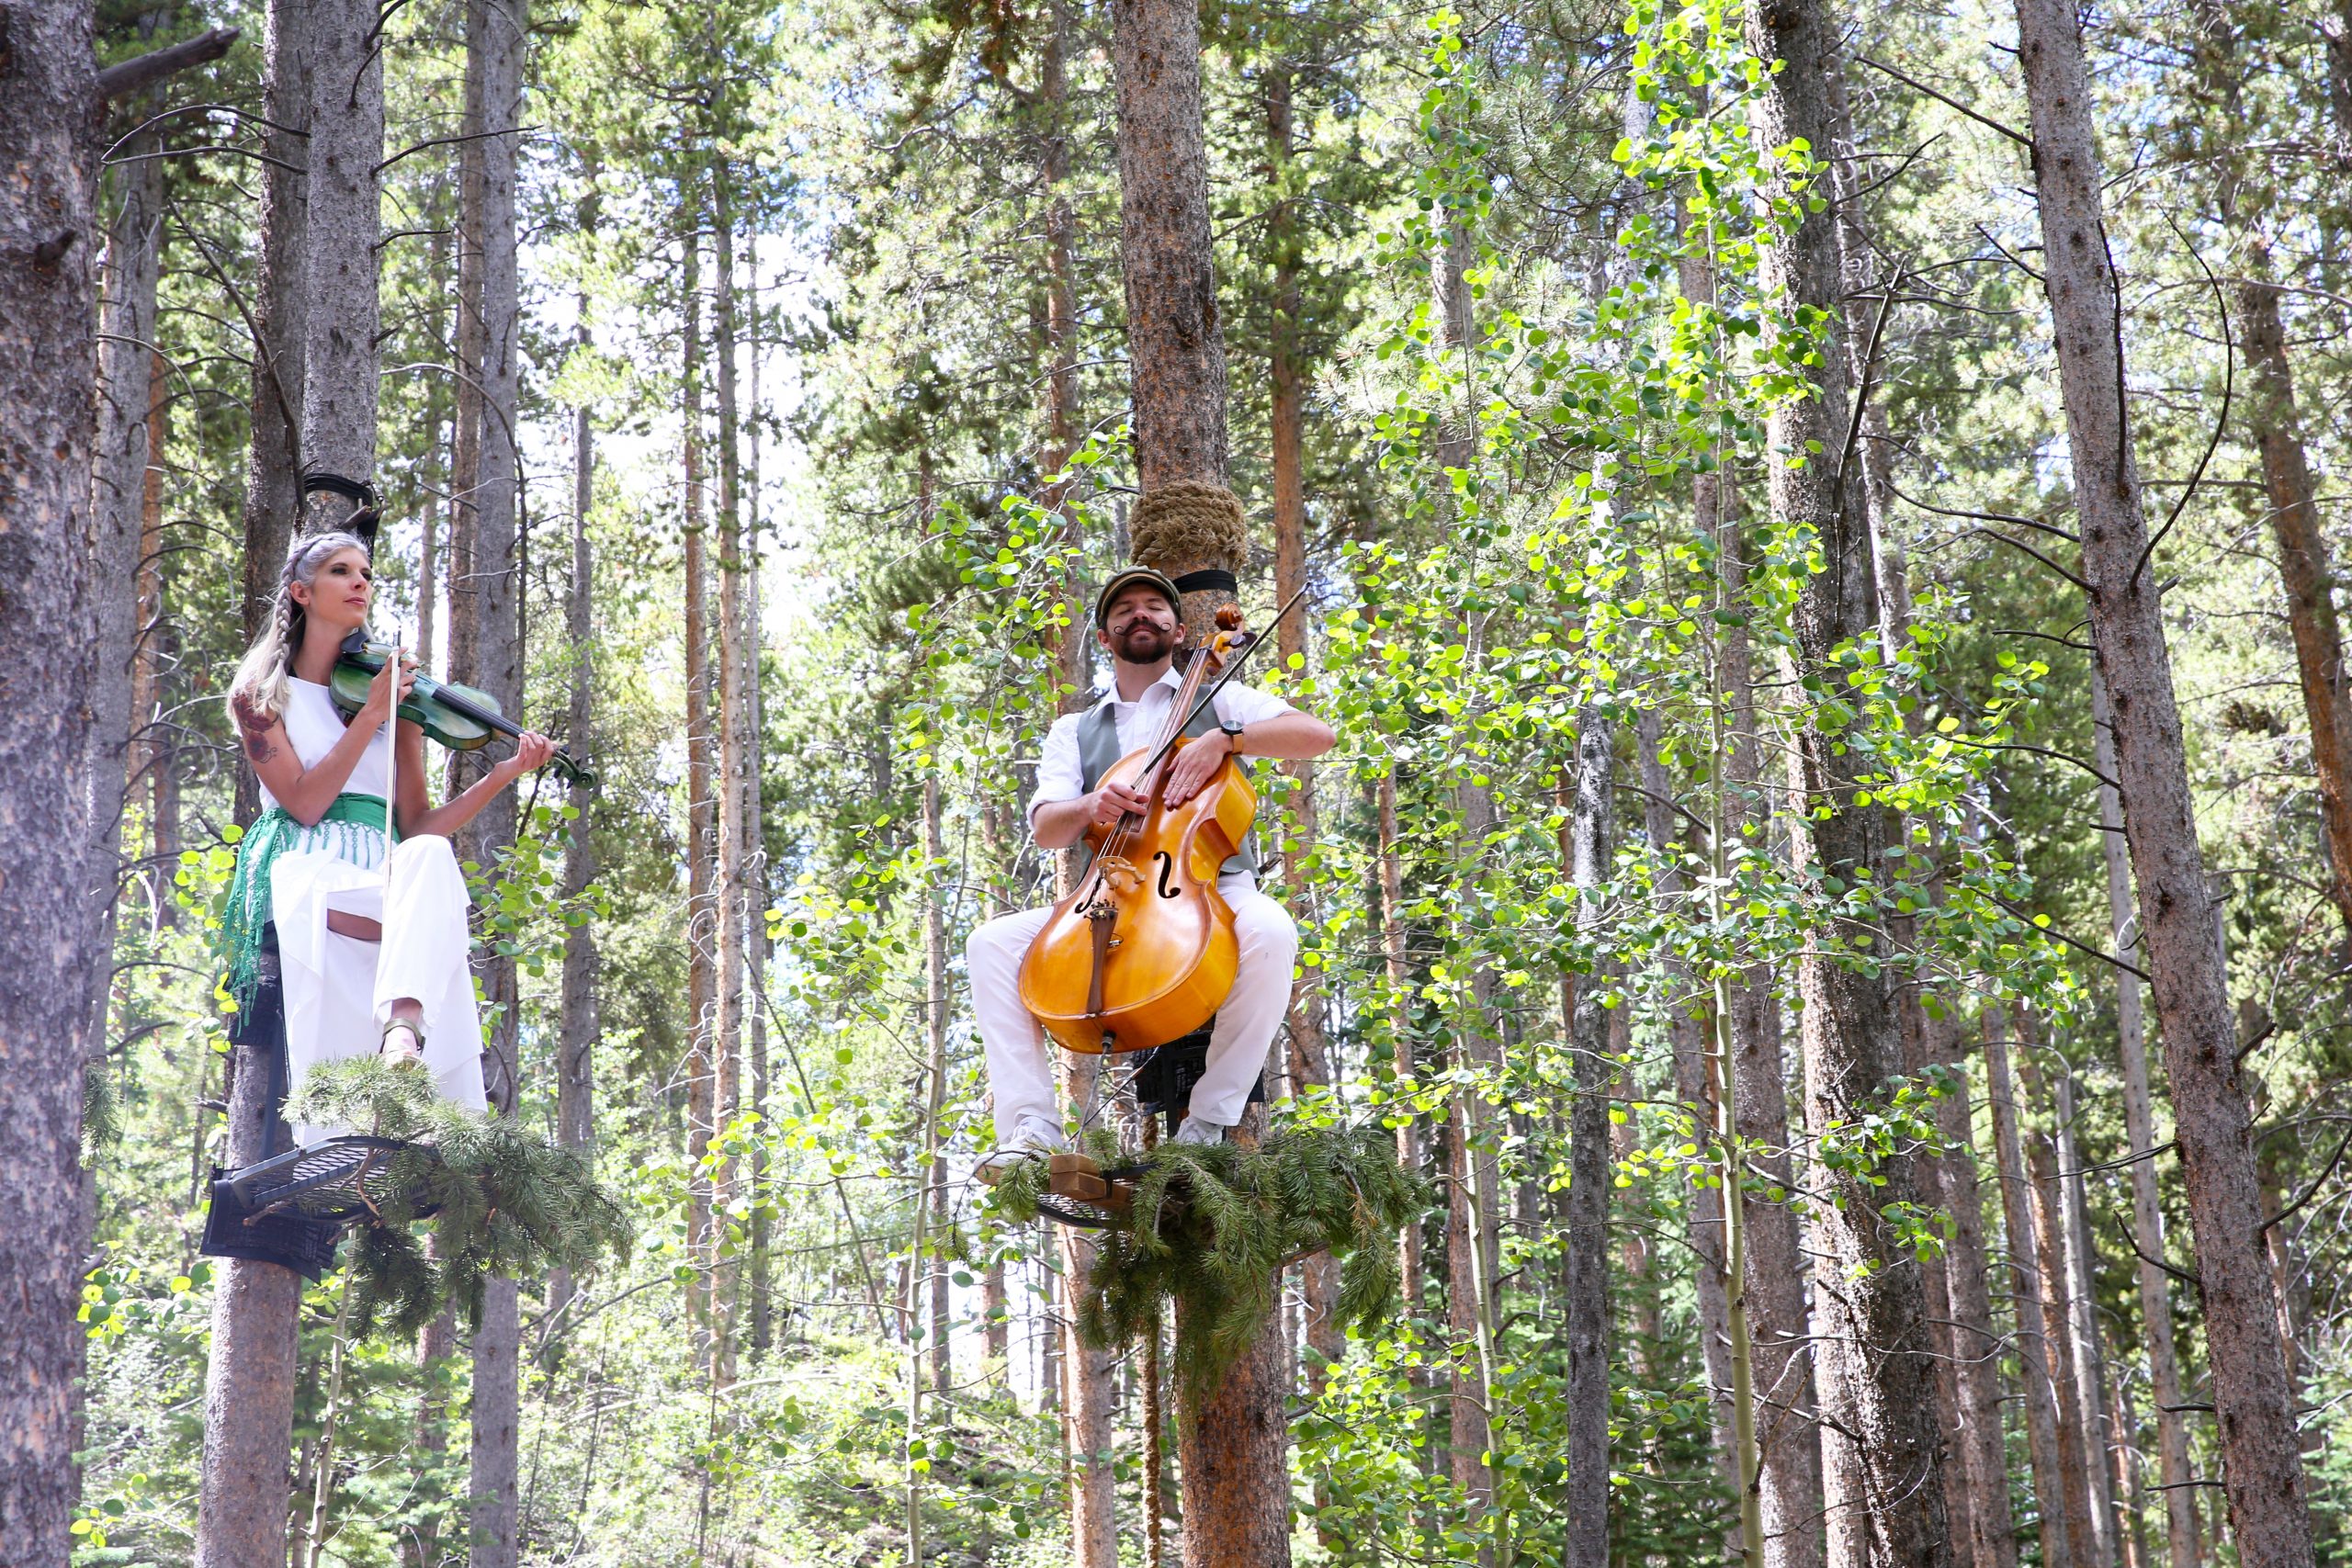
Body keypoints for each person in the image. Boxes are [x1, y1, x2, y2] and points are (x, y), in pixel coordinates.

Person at [967, 566, 1336, 1168]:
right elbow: (1046, 826)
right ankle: (1033, 1130)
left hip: (1210, 885)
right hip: (1111, 890)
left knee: (1271, 931)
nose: (1141, 613)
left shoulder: (1218, 698)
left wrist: (1227, 740)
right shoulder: (1076, 730)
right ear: (1107, 639)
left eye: (1153, 605)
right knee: (990, 944)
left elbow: (1315, 735)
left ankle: (1209, 1120)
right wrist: (1092, 803)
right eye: (1125, 609)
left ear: (1178, 628)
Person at [218, 530, 556, 1140]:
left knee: (428, 854)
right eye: (342, 571)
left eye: (366, 574)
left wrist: (504, 775)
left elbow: (418, 825)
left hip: (381, 879)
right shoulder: (261, 696)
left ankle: (402, 1034)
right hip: (307, 872)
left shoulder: (391, 698)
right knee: (425, 891)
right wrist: (373, 713)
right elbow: (306, 802)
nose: (360, 583)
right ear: (301, 592)